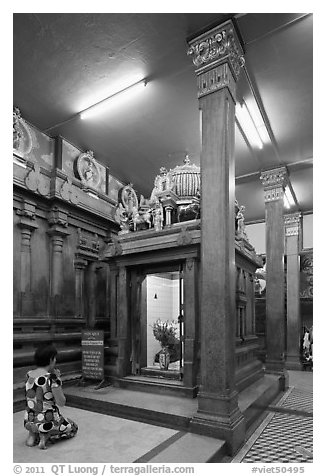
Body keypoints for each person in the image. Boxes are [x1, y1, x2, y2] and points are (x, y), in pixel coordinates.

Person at [24, 344, 78, 449]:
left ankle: (33, 434)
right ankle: (46, 435)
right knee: (73, 427)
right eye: (55, 358)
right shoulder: (52, 379)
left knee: (36, 414)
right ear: (51, 360)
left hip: (29, 420)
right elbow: (61, 402)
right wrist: (58, 380)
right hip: (48, 420)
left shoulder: (29, 374)